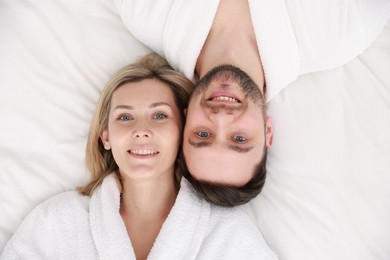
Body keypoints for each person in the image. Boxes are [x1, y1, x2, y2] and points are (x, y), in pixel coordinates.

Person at [0, 53, 278, 259]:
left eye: (159, 115)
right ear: (105, 136)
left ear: (181, 131)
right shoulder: (56, 222)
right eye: (124, 117)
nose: (141, 130)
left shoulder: (228, 233)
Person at [116, 0, 390, 206]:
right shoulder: (343, 32)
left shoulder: (144, 12)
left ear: (185, 119)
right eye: (239, 138)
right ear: (267, 131)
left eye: (202, 134)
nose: (221, 117)